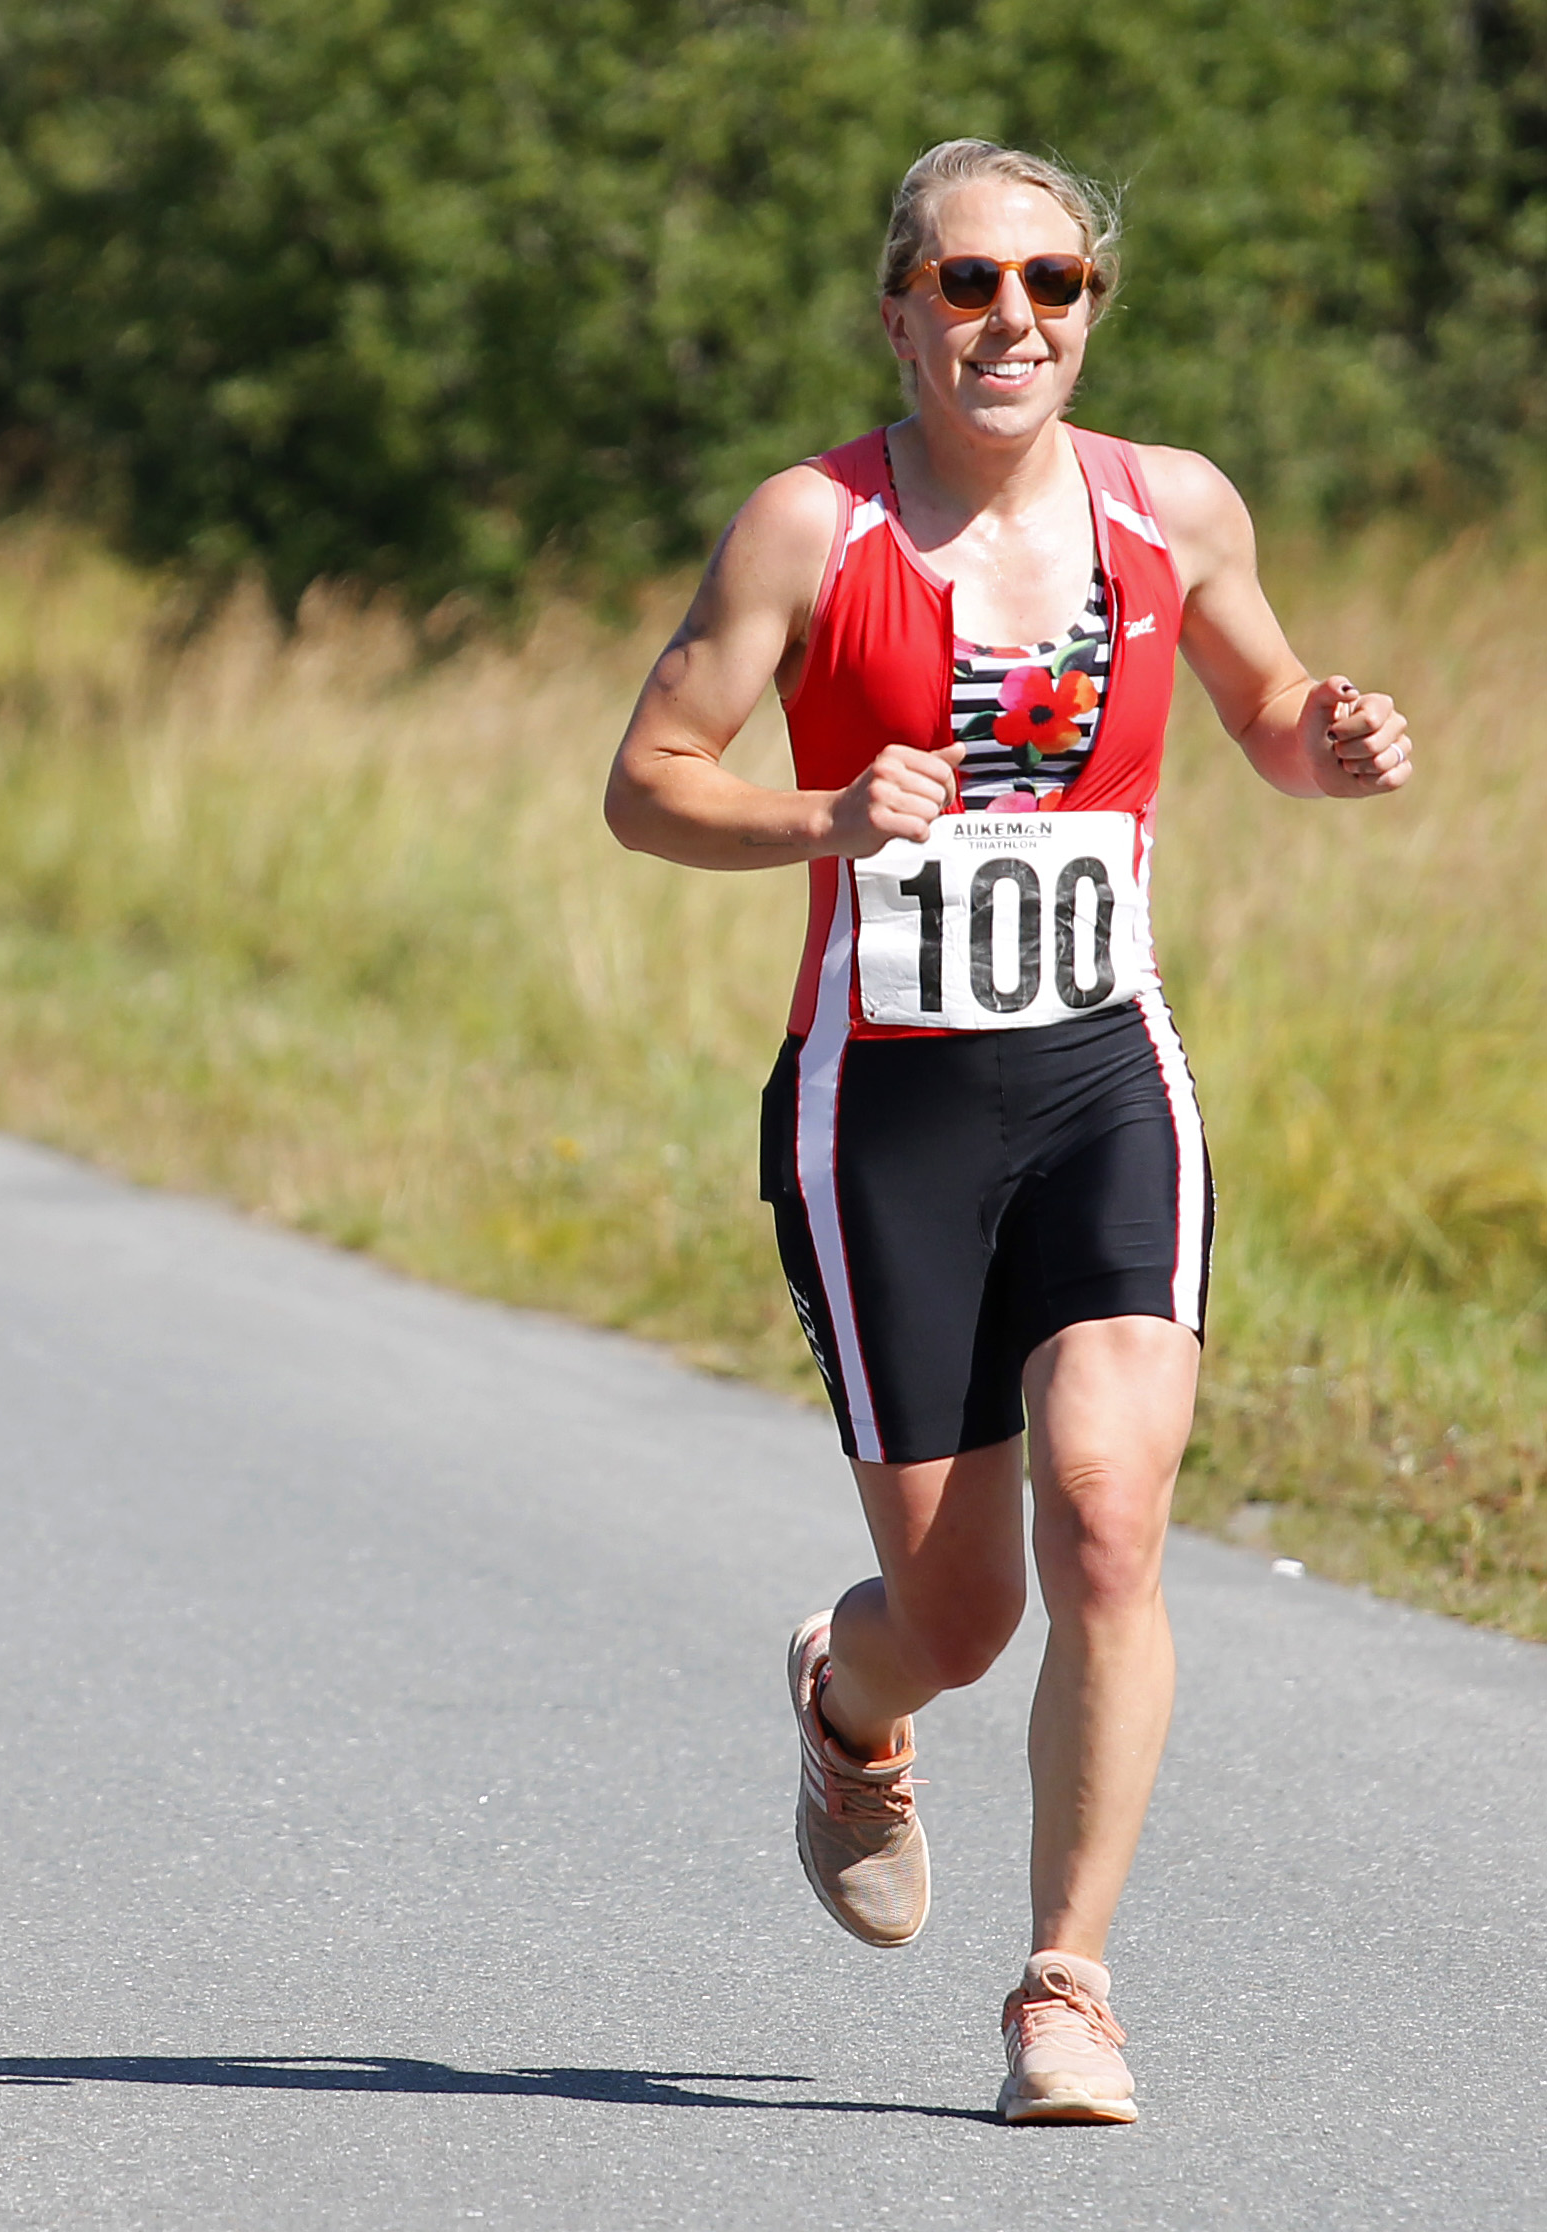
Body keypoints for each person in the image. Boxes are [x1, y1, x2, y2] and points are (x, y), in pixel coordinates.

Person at [603, 140, 1411, 2124]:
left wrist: (1324, 742)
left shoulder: (1170, 507)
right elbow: (647, 780)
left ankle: (1064, 1987)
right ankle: (844, 1699)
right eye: (966, 284)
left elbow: (1262, 702)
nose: (1011, 319)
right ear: (899, 314)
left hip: (1099, 1075)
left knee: (1108, 1515)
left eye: (1051, 283)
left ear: (1088, 309)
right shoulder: (808, 525)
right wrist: (816, 819)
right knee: (957, 1619)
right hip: (881, 1109)